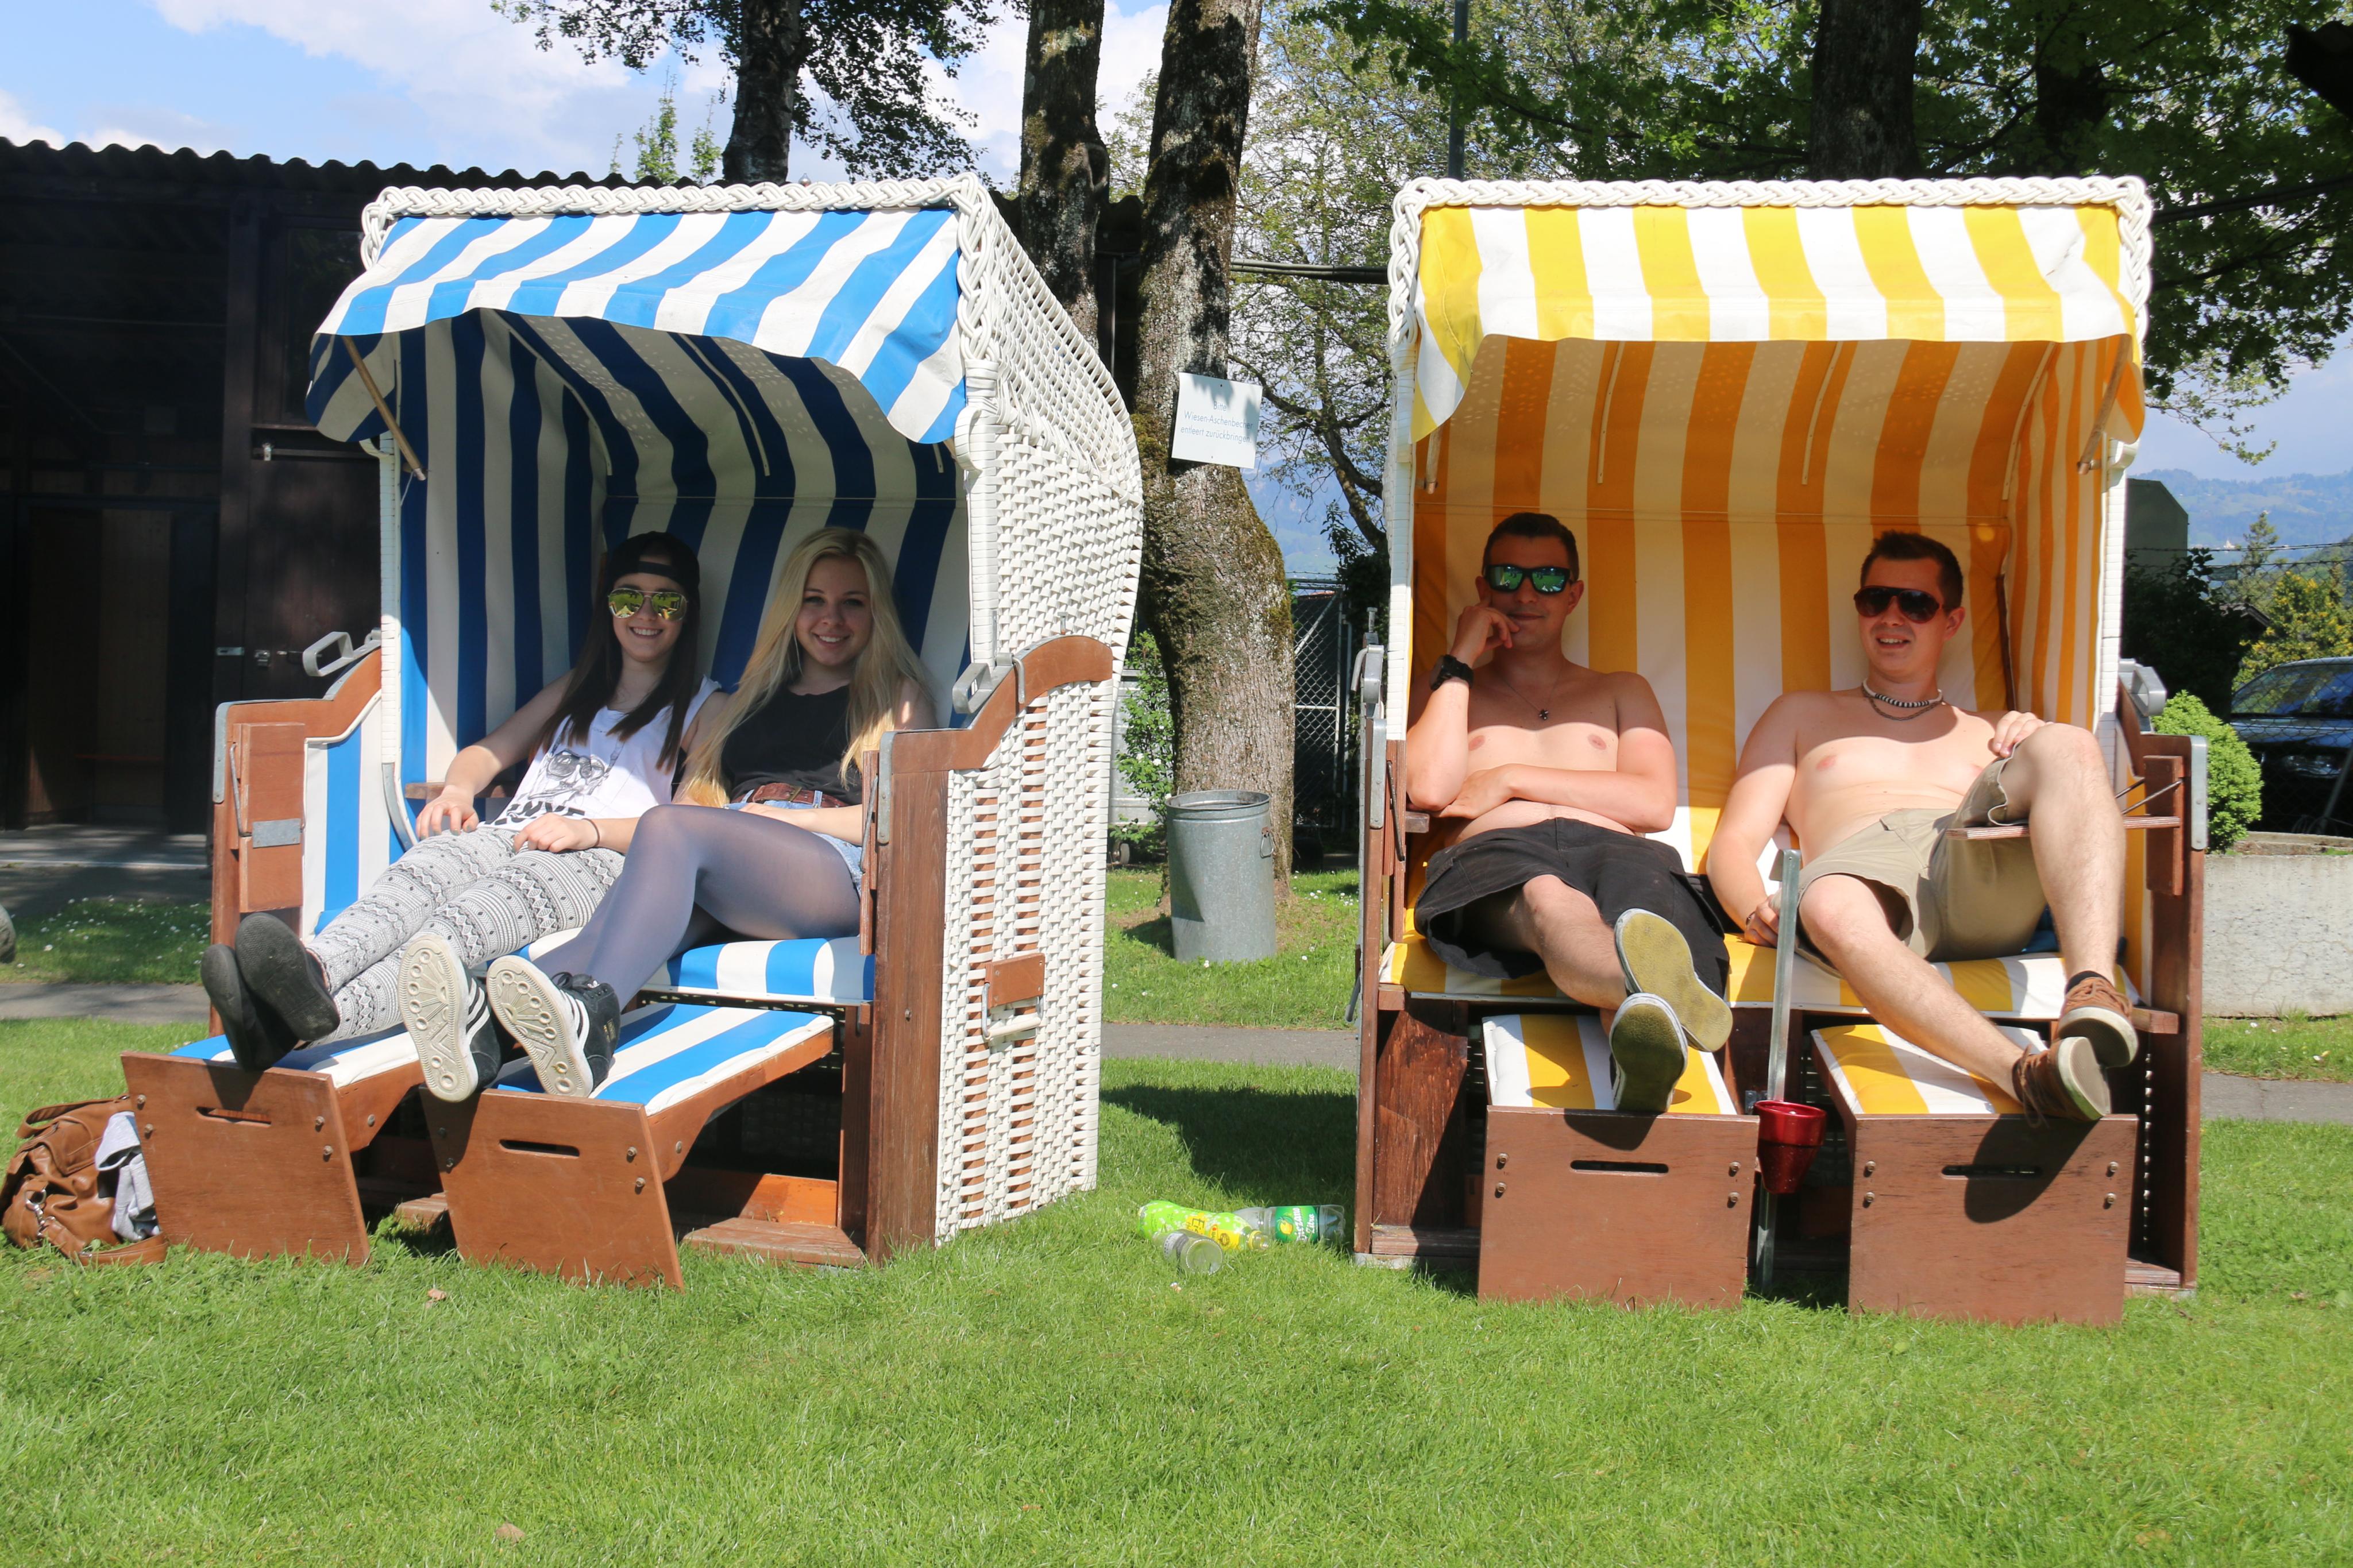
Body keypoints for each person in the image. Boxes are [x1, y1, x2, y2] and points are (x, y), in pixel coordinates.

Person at [199, 532, 718, 1101]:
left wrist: (588, 830)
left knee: (454, 932)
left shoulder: (705, 706)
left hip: (601, 861)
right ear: (609, 607)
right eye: (628, 597)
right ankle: (314, 971)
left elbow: (695, 820)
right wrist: (458, 790)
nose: (646, 614)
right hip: (509, 835)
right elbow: (490, 750)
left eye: (666, 601)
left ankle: (280, 1025)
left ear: (688, 613)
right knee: (420, 873)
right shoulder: (576, 688)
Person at [480, 527, 937, 1096]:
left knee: (667, 825)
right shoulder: (755, 697)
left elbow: (903, 817)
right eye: (814, 601)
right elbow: (701, 802)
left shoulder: (897, 696)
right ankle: (488, 1028)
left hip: (833, 868)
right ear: (791, 610)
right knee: (615, 921)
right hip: (741, 857)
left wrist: (794, 820)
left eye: (853, 604)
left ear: (877, 614)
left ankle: (592, 1019)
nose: (831, 619)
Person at [1707, 531, 2136, 1122]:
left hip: (1973, 862)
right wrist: (1754, 910)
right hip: (1866, 881)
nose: (1891, 618)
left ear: (1951, 620)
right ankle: (2027, 1075)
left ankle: (2092, 991)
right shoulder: (1801, 713)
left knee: (2069, 743)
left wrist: (2039, 740)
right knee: (1826, 902)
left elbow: (2070, 793)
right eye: (1875, 601)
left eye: (1915, 604)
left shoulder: (1994, 728)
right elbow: (1733, 840)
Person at [1405, 512, 1733, 1113]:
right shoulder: (1447, 689)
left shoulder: (1620, 690)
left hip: (1622, 853)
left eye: (1549, 579)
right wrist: (1459, 657)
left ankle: (1640, 1055)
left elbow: (1654, 804)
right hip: (1499, 858)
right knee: (1548, 897)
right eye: (1508, 577)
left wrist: (1509, 778)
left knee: (1644, 922)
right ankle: (1662, 994)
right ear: (1482, 589)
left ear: (1574, 594)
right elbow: (1425, 789)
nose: (1527, 594)